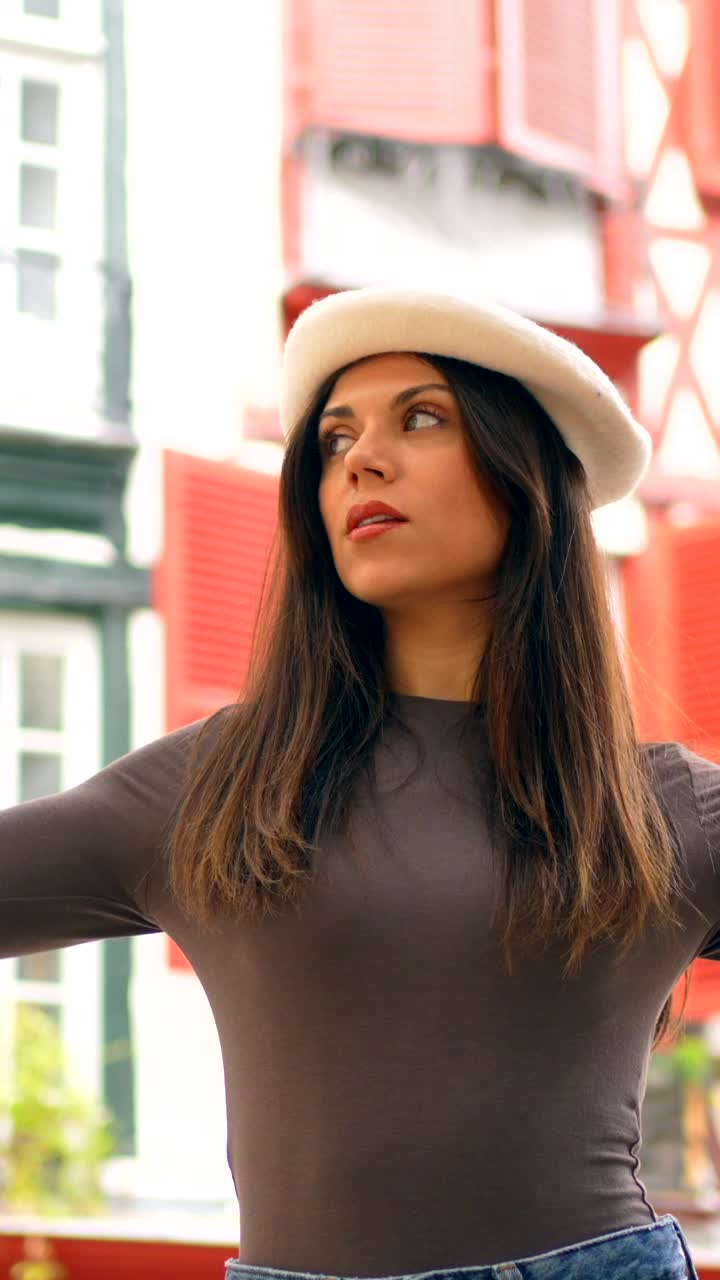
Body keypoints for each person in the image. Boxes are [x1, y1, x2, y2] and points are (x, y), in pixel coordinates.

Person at [1, 286, 715, 1280]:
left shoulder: (662, 811)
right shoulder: (217, 788)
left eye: (421, 418)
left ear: (528, 480)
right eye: (335, 439)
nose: (361, 460)